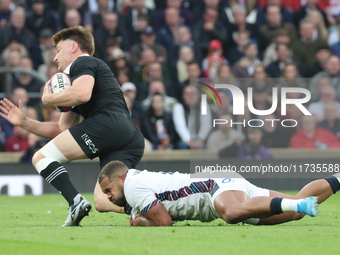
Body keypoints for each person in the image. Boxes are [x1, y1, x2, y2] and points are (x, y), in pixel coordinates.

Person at [0, 26, 145, 227]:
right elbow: (62, 131)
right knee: (103, 200)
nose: (55, 57)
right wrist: (25, 122)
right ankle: (148, 207)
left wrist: (48, 99)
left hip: (108, 125)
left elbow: (82, 94)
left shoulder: (83, 62)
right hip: (127, 136)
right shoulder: (75, 82)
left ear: (74, 47)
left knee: (41, 157)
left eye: (58, 50)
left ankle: (74, 202)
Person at [98, 160, 340, 226]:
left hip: (213, 187)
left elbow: (163, 221)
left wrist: (143, 224)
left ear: (121, 177)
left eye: (108, 190)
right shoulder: (137, 182)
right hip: (220, 182)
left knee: (233, 214)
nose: (108, 196)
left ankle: (294, 205)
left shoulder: (131, 185)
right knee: (298, 207)